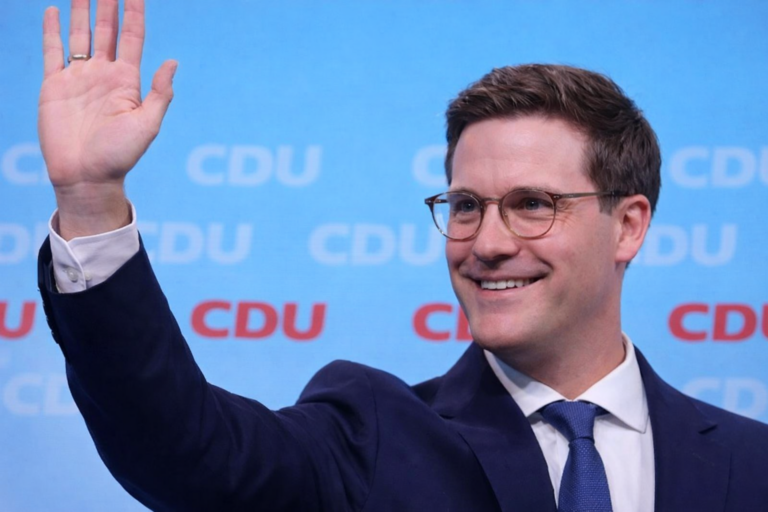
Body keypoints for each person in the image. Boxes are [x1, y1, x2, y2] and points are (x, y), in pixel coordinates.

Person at [37, 1, 768, 511]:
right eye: (467, 206)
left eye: (532, 204)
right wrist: (91, 200)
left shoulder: (750, 462)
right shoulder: (374, 434)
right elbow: (187, 452)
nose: (487, 243)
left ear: (629, 226)